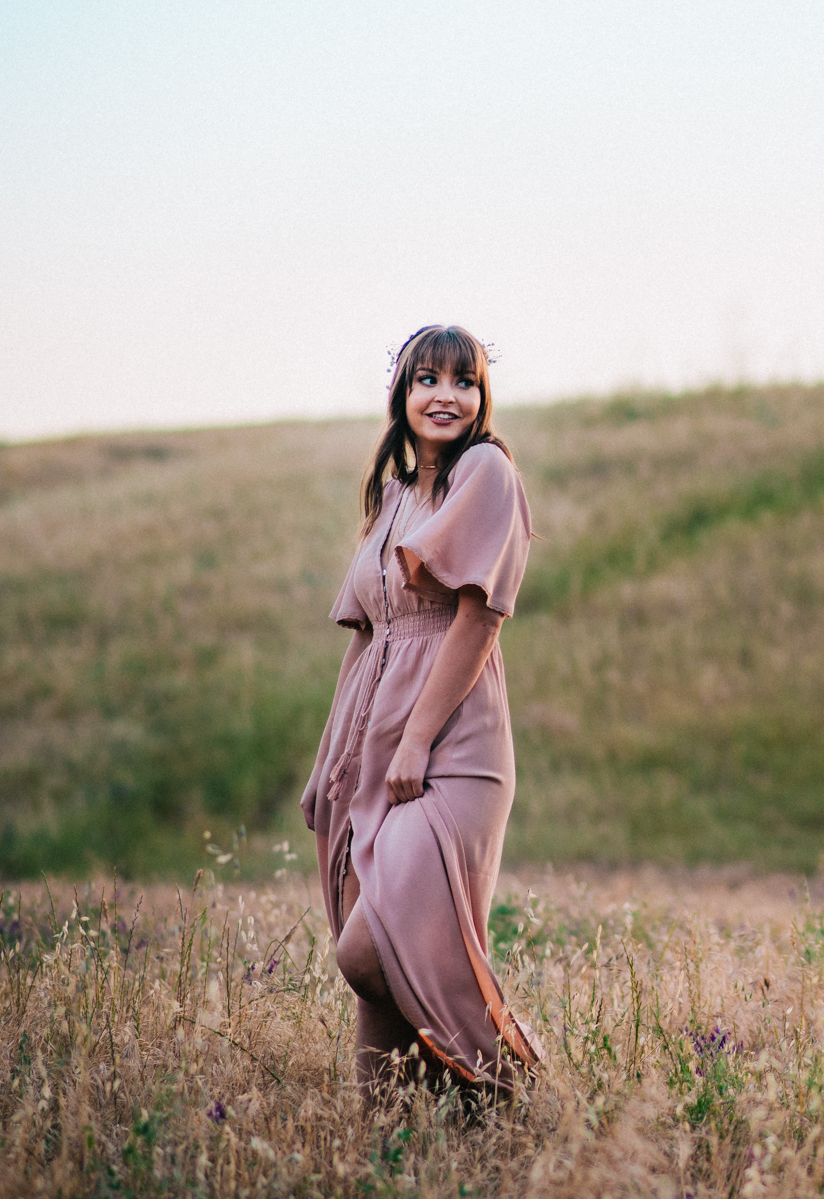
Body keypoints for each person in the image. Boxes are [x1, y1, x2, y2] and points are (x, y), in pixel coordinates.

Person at [302, 324, 542, 1102]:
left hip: (453, 745)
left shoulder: (487, 471)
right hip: (376, 743)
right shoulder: (394, 498)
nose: (446, 396)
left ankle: (512, 1091)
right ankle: (385, 1139)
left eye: (464, 381)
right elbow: (367, 638)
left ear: (482, 397)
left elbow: (479, 617)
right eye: (427, 380)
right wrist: (329, 764)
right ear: (402, 395)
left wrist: (415, 741)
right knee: (373, 955)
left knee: (375, 948)